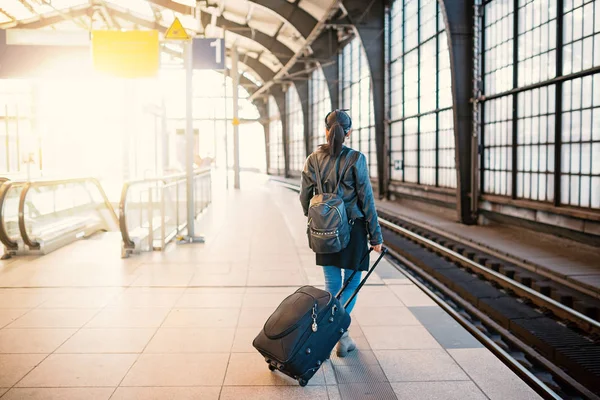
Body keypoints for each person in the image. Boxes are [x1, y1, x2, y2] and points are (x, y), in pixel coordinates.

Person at [299, 109, 384, 357]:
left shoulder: (313, 158)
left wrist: (316, 217)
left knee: (332, 284)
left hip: (324, 230)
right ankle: (336, 331)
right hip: (354, 229)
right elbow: (366, 199)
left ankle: (341, 335)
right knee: (352, 283)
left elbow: (304, 196)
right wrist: (376, 237)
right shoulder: (356, 158)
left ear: (326, 131)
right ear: (348, 132)